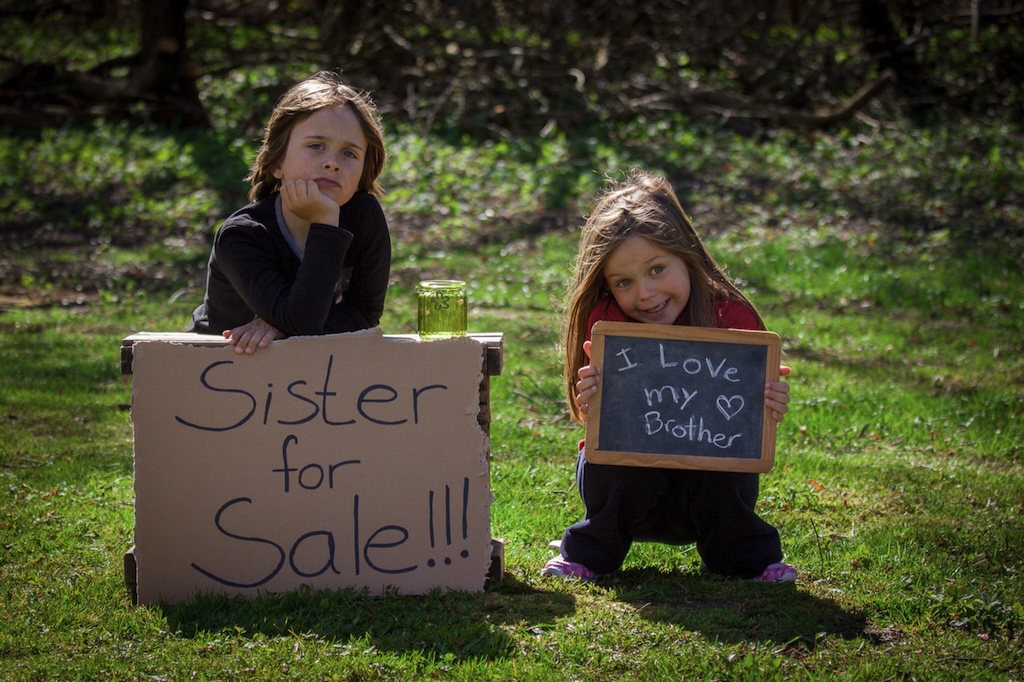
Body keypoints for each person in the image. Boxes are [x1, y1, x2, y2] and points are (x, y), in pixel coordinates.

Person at [542, 169, 796, 584]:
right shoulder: (607, 322)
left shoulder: (731, 319)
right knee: (612, 456)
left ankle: (745, 556)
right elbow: (593, 416)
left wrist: (765, 405)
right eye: (624, 281)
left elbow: (746, 426)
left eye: (657, 269)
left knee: (725, 469)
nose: (645, 293)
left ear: (688, 256)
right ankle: (589, 553)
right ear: (607, 287)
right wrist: (591, 397)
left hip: (707, 488)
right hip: (626, 489)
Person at [187, 71, 390, 353]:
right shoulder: (242, 235)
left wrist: (282, 324)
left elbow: (365, 314)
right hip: (220, 369)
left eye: (349, 153)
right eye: (316, 146)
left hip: (311, 375)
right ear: (277, 163)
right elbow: (303, 323)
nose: (332, 162)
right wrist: (325, 223)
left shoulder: (364, 216)